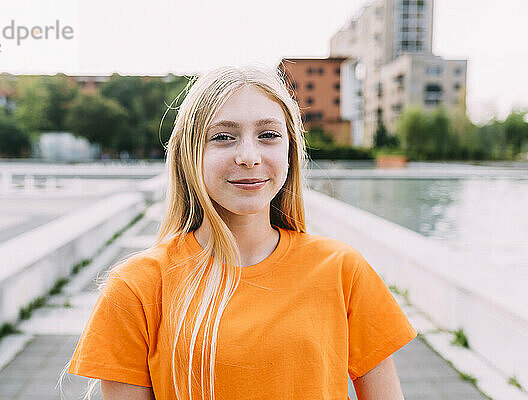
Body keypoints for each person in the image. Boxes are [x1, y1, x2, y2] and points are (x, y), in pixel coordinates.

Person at [63, 65, 417, 400]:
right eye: (223, 137)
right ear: (190, 153)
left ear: (290, 150)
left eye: (268, 135)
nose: (249, 156)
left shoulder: (343, 270)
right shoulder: (135, 287)